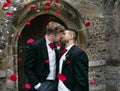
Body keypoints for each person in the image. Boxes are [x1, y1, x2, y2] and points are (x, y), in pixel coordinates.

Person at [24, 21, 65, 91]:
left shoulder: (56, 46)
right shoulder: (36, 46)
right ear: (52, 36)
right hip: (42, 83)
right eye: (59, 35)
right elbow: (27, 67)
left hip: (55, 83)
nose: (62, 36)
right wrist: (37, 85)